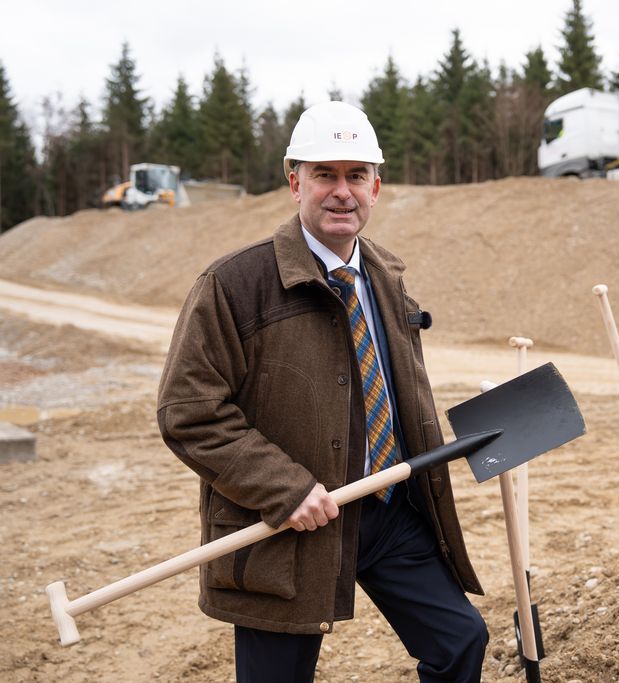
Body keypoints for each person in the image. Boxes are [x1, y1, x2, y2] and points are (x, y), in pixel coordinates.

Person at [157, 101, 488, 683]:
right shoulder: (233, 285)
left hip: (387, 510)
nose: (342, 191)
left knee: (460, 641)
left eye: (356, 175)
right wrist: (284, 489)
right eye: (324, 175)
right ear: (295, 183)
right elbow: (190, 412)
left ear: (375, 187)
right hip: (286, 528)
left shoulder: (386, 278)